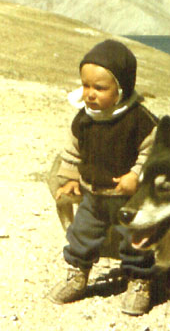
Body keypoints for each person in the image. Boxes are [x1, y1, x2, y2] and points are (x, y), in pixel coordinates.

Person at [46, 39, 158, 316]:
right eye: (85, 86)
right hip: (93, 195)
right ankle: (77, 274)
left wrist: (136, 175)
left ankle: (139, 280)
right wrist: (70, 178)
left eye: (99, 88)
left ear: (122, 88)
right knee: (81, 235)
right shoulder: (84, 119)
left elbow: (152, 152)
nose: (90, 94)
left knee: (136, 239)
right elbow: (73, 152)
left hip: (130, 200)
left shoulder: (139, 120)